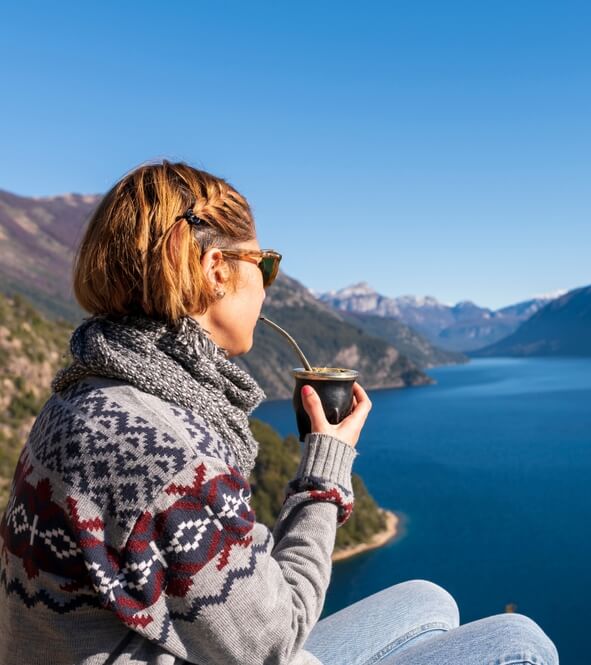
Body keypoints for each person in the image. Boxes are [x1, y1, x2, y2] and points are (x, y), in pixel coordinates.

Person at [0, 160, 559, 665]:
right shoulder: (163, 449)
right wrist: (325, 475)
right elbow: (272, 640)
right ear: (217, 269)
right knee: (519, 643)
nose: (267, 288)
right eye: (264, 266)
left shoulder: (88, 391)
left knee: (429, 600)